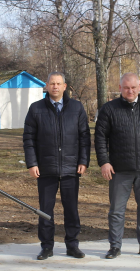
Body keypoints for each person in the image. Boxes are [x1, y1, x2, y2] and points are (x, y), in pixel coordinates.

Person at [95, 73, 140, 259]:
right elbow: (100, 138)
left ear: (139, 87)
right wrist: (104, 162)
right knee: (117, 210)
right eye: (126, 87)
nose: (130, 91)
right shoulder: (109, 109)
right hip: (119, 170)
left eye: (133, 87)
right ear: (120, 88)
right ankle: (115, 246)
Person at [23, 72, 91, 260]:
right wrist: (32, 163)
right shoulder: (36, 109)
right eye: (52, 83)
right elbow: (28, 138)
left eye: (58, 83)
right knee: (46, 210)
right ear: (46, 86)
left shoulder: (76, 108)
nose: (55, 86)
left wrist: (83, 161)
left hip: (71, 169)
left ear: (64, 86)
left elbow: (85, 136)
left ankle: (72, 245)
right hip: (45, 169)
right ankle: (46, 246)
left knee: (71, 209)